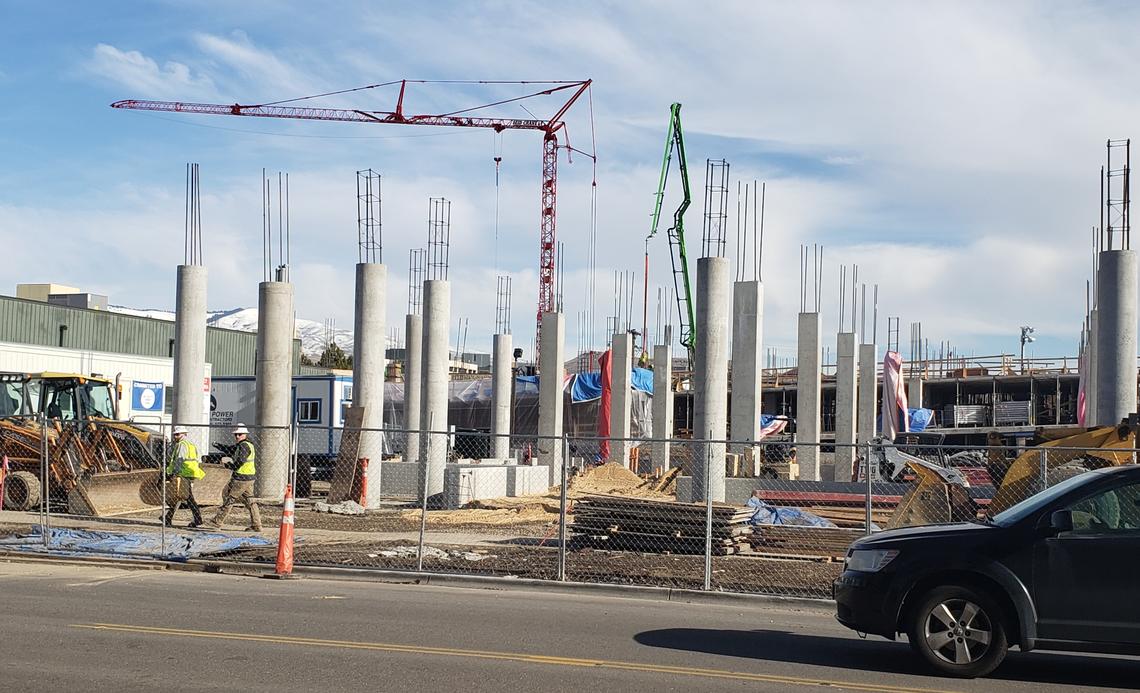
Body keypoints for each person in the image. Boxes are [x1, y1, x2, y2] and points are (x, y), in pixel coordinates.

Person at [206, 424, 262, 532]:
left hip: (241, 477)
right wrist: (217, 445)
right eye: (236, 434)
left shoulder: (243, 446)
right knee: (250, 501)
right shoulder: (245, 445)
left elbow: (241, 461)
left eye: (239, 434)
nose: (237, 436)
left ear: (245, 434)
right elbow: (229, 449)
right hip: (249, 477)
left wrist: (229, 466)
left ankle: (217, 522)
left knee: (229, 497)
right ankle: (257, 525)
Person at [165, 425, 205, 527]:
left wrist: (174, 473)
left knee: (187, 497)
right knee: (180, 496)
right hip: (191, 473)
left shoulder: (181, 445)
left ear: (184, 434)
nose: (176, 437)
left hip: (183, 473)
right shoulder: (191, 444)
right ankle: (167, 518)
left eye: (177, 434)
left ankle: (197, 519)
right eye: (175, 435)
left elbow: (179, 460)